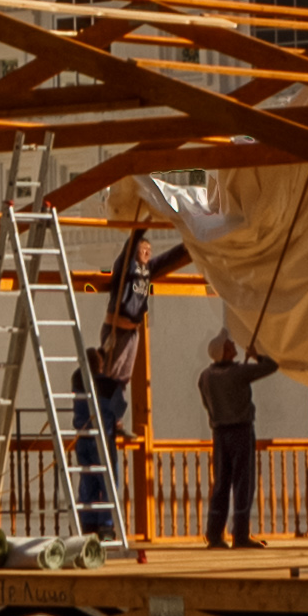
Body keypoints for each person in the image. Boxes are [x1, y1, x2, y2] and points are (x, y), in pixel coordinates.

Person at [78, 212, 188, 540]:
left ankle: (118, 420)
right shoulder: (126, 267)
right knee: (111, 375)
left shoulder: (148, 270)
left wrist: (190, 248)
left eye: (147, 251)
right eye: (143, 250)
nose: (146, 255)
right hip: (116, 326)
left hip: (133, 330)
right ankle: (106, 413)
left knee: (124, 377)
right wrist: (140, 224)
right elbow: (129, 247)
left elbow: (168, 259)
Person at [198, 329, 267, 552]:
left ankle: (215, 535)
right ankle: (240, 534)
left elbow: (207, 405)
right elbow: (271, 367)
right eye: (231, 344)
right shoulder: (238, 373)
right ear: (225, 351)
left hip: (219, 433)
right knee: (242, 484)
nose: (235, 347)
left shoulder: (205, 377)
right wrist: (257, 356)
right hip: (241, 432)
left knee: (221, 483)